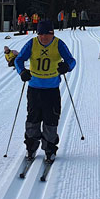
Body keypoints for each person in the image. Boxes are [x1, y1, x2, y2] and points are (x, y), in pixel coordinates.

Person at [14, 20, 77, 162]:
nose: (43, 38)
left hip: (51, 90)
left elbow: (71, 60)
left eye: (46, 34)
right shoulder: (32, 43)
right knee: (33, 119)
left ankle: (49, 149)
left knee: (51, 120)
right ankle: (31, 148)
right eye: (40, 34)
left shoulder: (58, 43)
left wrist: (66, 66)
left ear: (52, 33)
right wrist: (22, 71)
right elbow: (19, 60)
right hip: (34, 89)